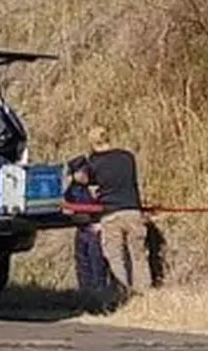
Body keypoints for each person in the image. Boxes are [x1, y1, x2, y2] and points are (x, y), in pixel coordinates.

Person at [86, 126, 148, 296]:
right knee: (139, 256)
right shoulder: (127, 157)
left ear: (92, 143)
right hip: (133, 211)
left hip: (110, 215)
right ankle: (145, 295)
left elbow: (91, 187)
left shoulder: (93, 163)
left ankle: (123, 295)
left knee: (116, 258)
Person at [63, 155, 108, 294]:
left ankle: (99, 293)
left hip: (96, 227)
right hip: (82, 228)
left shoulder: (96, 185)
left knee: (97, 263)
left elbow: (106, 204)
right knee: (82, 263)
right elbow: (63, 202)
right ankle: (85, 293)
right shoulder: (74, 188)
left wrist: (101, 223)